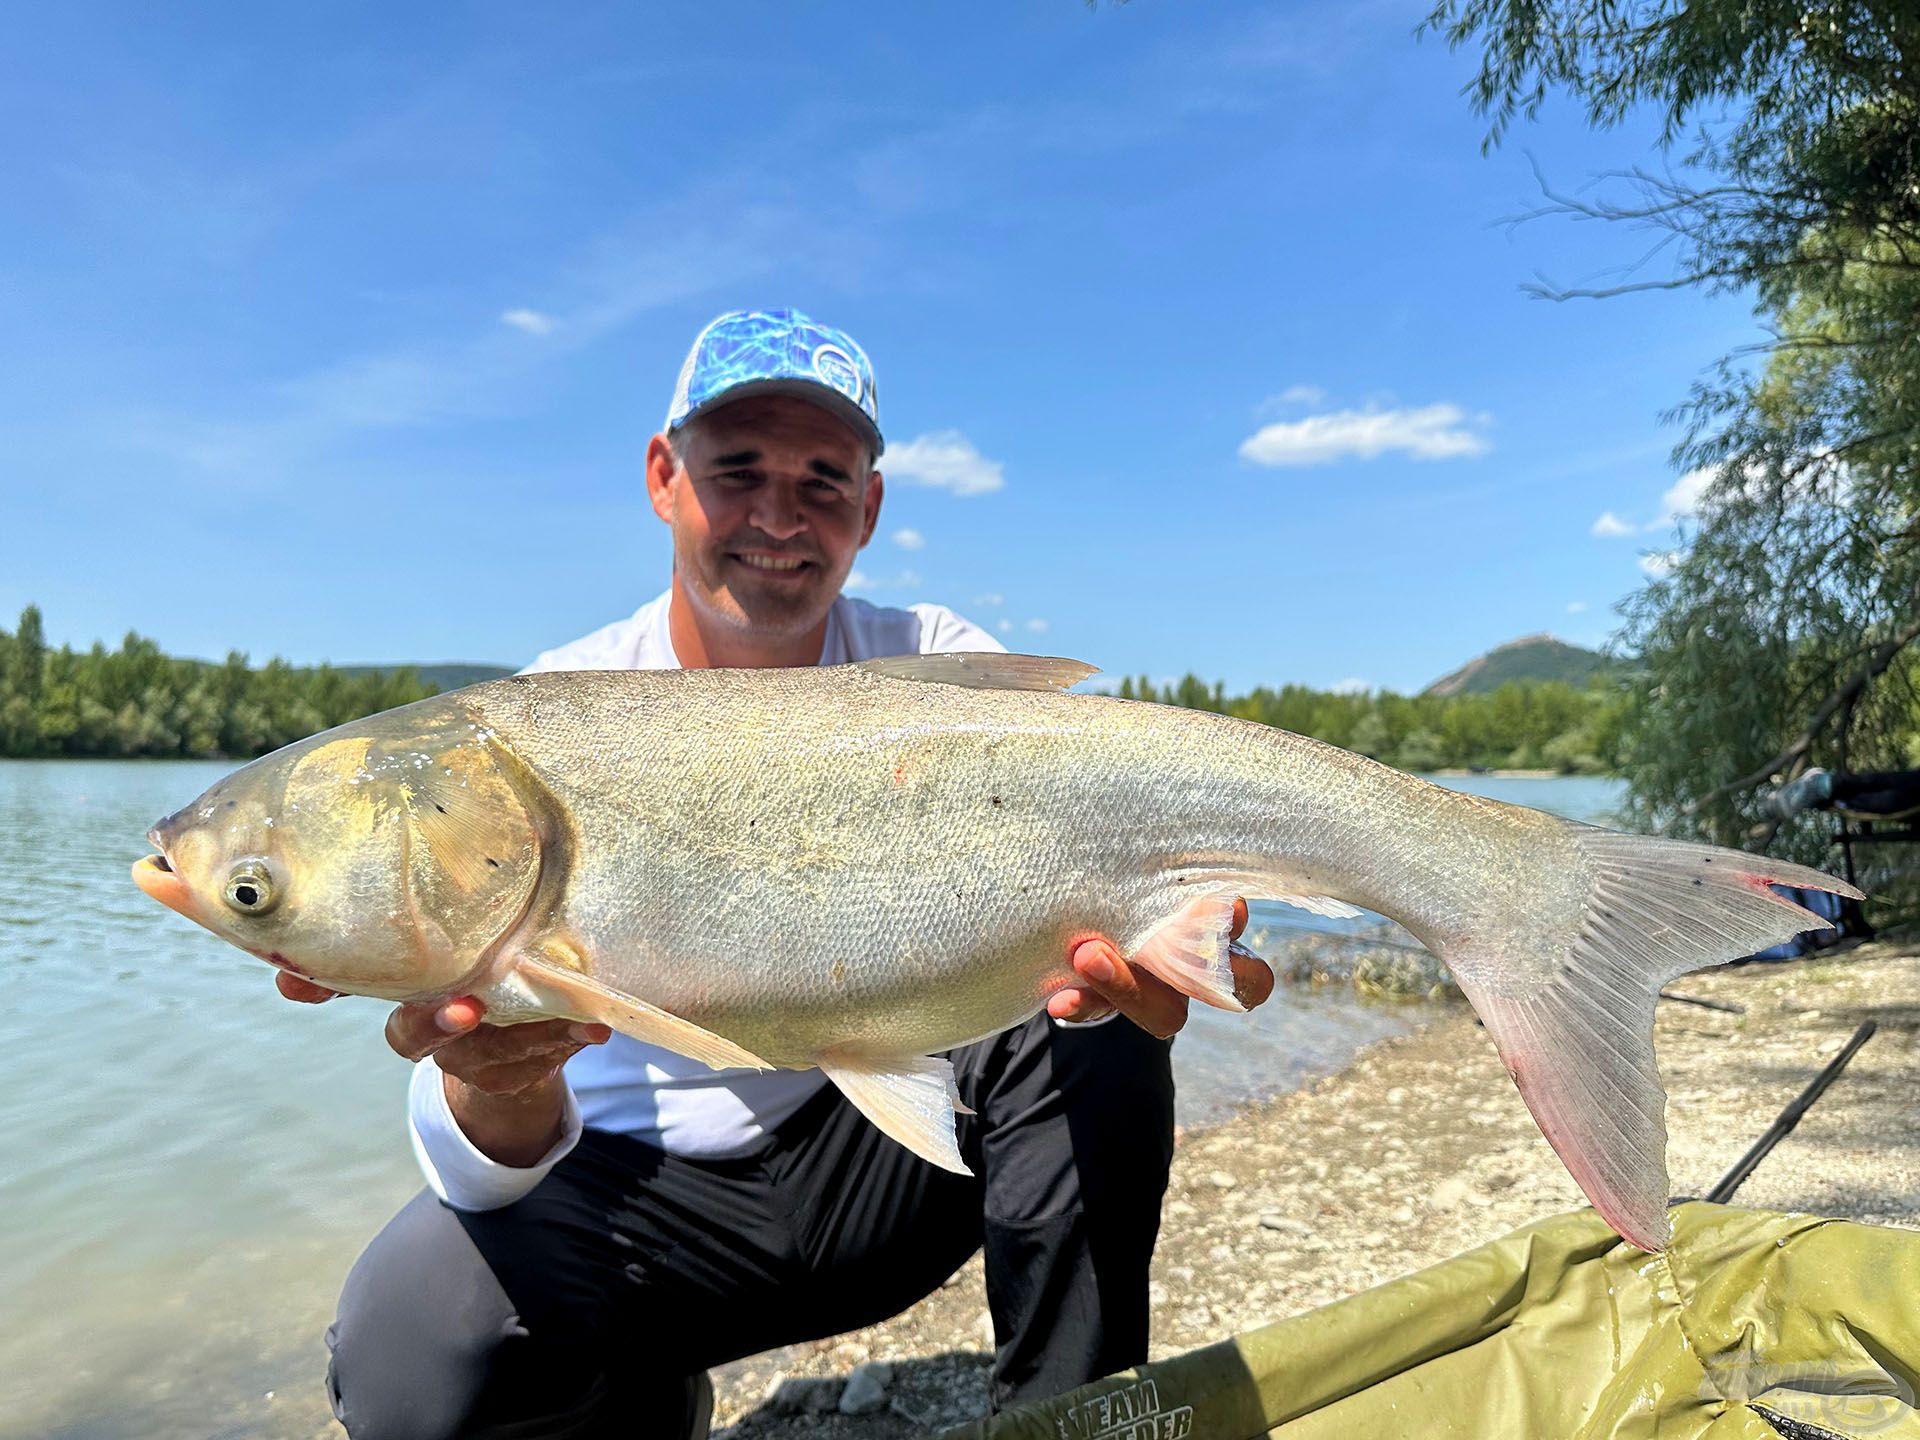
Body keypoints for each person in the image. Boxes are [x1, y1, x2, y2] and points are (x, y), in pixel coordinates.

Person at [288, 309, 1274, 1439]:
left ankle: (1073, 1419)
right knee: (411, 1337)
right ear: (664, 477)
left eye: (822, 480)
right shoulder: (545, 719)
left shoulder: (932, 664)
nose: (777, 516)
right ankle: (637, 1393)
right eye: (739, 470)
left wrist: (1176, 930)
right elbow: (488, 1179)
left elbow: (1126, 850)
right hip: (638, 1216)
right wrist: (494, 1080)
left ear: (871, 507)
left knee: (1083, 1007)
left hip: (894, 1180)